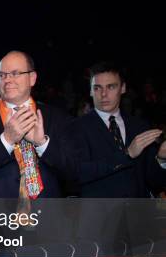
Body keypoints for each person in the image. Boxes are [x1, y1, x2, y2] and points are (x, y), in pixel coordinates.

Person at [0, 50, 74, 198]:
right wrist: (7, 140)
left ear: (32, 78)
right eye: (2, 75)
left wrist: (42, 144)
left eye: (15, 73)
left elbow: (72, 170)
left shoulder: (57, 116)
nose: (7, 80)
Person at [71, 61, 166, 197]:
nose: (103, 94)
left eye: (111, 87)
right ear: (91, 91)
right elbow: (77, 175)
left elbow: (154, 181)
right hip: (100, 215)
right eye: (97, 88)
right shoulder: (77, 127)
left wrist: (161, 159)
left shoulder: (140, 126)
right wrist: (126, 155)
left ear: (123, 88)